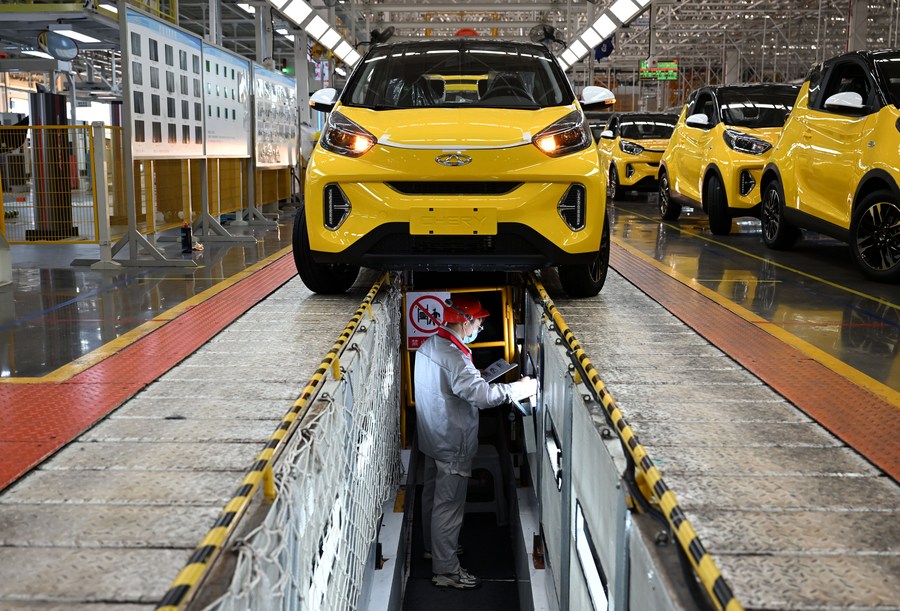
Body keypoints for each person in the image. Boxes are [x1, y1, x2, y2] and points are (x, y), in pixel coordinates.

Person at [414, 294, 538, 589]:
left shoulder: (430, 345)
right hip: (451, 442)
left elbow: (448, 383)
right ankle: (447, 571)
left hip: (432, 435)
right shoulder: (456, 358)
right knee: (448, 507)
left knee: (432, 497)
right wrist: (519, 389)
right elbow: (482, 398)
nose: (480, 327)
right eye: (478, 321)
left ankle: (434, 549)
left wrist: (476, 376)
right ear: (465, 321)